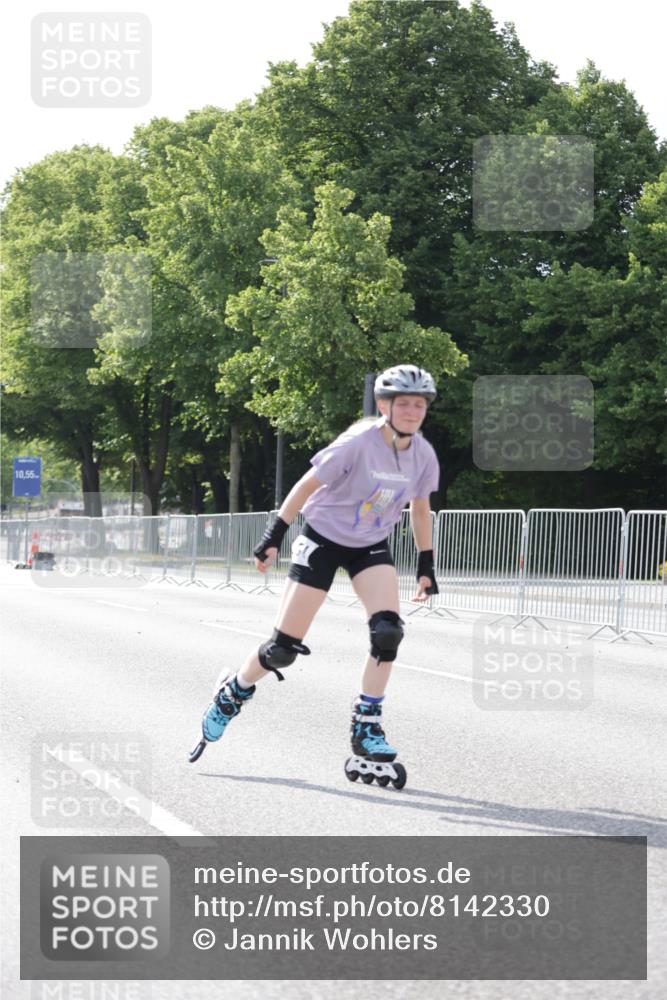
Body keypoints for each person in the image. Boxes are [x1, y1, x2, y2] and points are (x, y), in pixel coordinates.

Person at [188, 364, 441, 787]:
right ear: (384, 405)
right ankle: (233, 690)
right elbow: (305, 486)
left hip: (369, 545)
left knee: (387, 633)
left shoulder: (423, 455)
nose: (413, 411)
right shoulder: (358, 442)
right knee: (282, 650)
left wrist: (426, 563)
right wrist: (274, 534)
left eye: (420, 404)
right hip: (322, 539)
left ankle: (367, 725)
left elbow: (419, 507)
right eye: (404, 403)